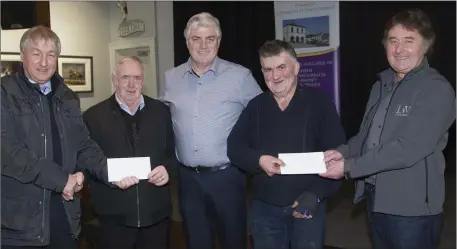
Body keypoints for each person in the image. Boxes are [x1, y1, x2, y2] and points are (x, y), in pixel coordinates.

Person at [320, 9, 456, 249]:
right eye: (393, 41)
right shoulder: (381, 85)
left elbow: (408, 148)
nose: (399, 49)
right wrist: (343, 152)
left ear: (426, 46)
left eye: (408, 41)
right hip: (375, 200)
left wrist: (349, 167)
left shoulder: (436, 89)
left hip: (411, 210)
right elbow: (366, 136)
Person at [1, 26, 136, 249]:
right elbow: (7, 152)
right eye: (36, 53)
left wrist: (110, 172)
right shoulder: (4, 94)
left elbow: (83, 145)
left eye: (51, 54)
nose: (44, 62)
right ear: (22, 56)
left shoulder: (67, 96)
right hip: (19, 219)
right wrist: (62, 179)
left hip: (64, 211)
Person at [227, 39, 346, 249]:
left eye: (281, 67)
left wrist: (316, 194)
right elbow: (234, 147)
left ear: (296, 67)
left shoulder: (320, 104)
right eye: (268, 70)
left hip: (307, 206)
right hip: (265, 210)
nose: (275, 76)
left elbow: (338, 156)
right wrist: (259, 159)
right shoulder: (256, 106)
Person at [161, 12, 262, 249]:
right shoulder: (171, 78)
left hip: (227, 177)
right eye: (196, 38)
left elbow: (261, 118)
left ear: (219, 41)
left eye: (210, 38)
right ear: (187, 42)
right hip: (187, 180)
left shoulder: (240, 76)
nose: (203, 45)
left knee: (233, 240)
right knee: (196, 241)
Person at [83, 56, 178, 249]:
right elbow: (87, 160)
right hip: (114, 218)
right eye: (125, 77)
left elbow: (174, 155)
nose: (131, 84)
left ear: (143, 81)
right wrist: (109, 175)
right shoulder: (93, 116)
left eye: (137, 78)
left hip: (156, 215)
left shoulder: (162, 112)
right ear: (114, 80)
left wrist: (168, 170)